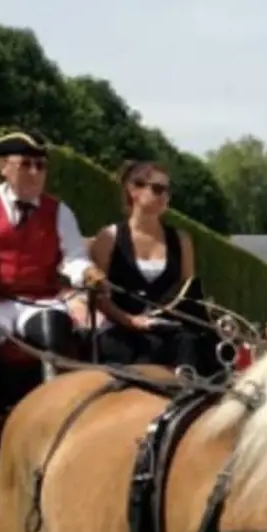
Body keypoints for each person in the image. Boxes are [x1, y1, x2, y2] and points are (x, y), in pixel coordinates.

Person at [0, 130, 107, 415]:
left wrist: (86, 272)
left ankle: (56, 410)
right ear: (3, 166)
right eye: (26, 164)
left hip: (38, 301)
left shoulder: (59, 211)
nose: (35, 173)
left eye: (41, 166)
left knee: (55, 330)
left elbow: (73, 256)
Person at [87, 160, 220, 377]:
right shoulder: (109, 238)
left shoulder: (182, 240)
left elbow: (187, 295)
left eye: (168, 191)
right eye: (157, 189)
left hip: (169, 332)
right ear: (133, 190)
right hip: (121, 328)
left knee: (194, 349)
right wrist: (130, 320)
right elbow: (99, 297)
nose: (164, 196)